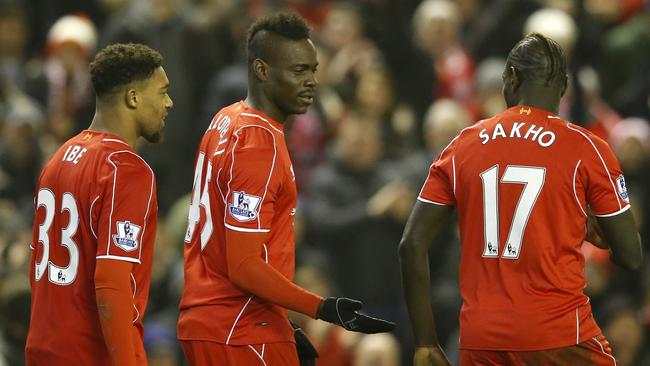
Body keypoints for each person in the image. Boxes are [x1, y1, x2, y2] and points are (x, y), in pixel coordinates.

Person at [398, 33, 643, 366]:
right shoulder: (588, 148)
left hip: (481, 342)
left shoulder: (461, 146)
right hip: (559, 337)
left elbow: (411, 245)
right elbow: (630, 256)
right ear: (564, 85)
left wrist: (425, 343)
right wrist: (583, 227)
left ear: (511, 77)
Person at [178, 12, 394, 366]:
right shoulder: (258, 142)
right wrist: (321, 308)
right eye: (298, 71)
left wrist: (283, 324)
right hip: (240, 327)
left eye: (313, 69)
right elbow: (244, 264)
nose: (311, 81)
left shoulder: (225, 119)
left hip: (212, 320)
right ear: (262, 70)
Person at [25, 43, 173, 365]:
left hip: (42, 348)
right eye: (162, 92)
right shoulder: (126, 169)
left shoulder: (59, 157)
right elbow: (112, 286)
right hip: (90, 353)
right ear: (133, 98)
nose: (168, 103)